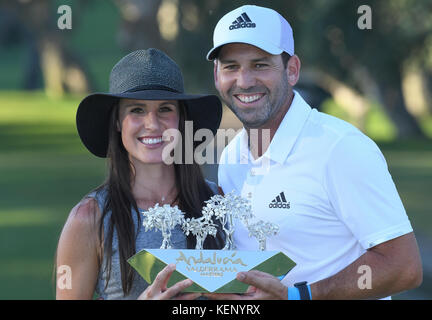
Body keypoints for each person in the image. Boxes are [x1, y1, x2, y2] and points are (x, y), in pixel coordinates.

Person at [205, 5, 423, 300]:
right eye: (231, 66)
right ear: (217, 75)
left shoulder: (340, 147)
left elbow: (403, 266)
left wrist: (301, 296)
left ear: (292, 70)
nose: (244, 81)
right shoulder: (231, 157)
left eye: (260, 65)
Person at [55, 48, 225, 299]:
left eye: (165, 109)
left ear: (181, 119)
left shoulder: (216, 201)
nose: (153, 124)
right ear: (116, 121)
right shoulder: (89, 218)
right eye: (137, 110)